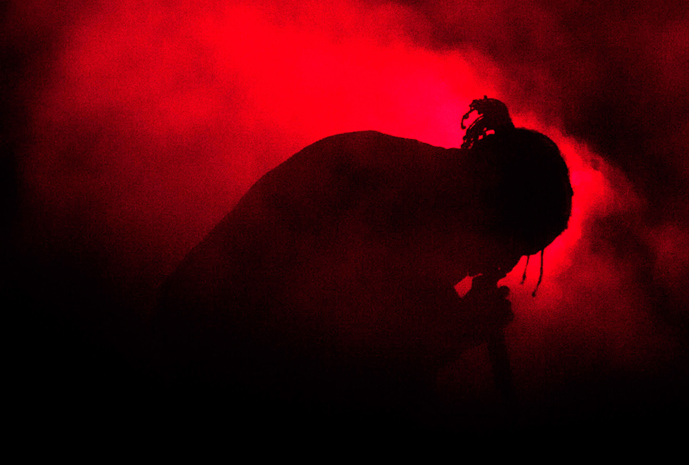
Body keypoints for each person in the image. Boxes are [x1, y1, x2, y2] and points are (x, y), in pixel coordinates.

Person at [155, 97, 572, 415]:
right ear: (493, 207)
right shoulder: (391, 198)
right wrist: (454, 331)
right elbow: (342, 363)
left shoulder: (405, 187)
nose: (500, 265)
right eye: (511, 246)